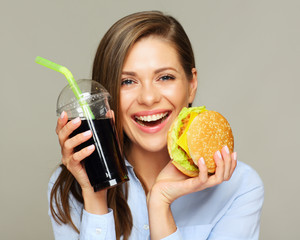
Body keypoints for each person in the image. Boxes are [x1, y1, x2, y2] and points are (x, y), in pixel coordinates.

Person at [48, 11, 264, 240]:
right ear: (105, 96)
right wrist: (95, 195)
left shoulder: (240, 188)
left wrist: (160, 204)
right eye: (127, 81)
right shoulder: (69, 186)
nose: (148, 98)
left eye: (165, 77)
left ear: (192, 84)